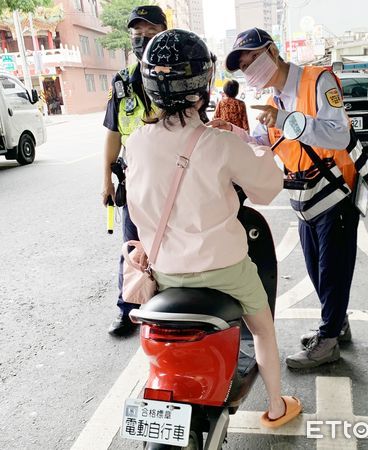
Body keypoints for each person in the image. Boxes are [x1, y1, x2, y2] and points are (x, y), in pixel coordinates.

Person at [125, 29, 302, 428]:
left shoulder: (135, 142)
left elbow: (136, 206)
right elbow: (269, 187)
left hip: (166, 273)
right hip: (227, 271)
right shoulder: (219, 142)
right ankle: (275, 407)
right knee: (262, 330)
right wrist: (242, 139)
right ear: (204, 85)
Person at [211, 27, 368, 369]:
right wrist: (233, 133)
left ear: (272, 51)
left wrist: (287, 120)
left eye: (252, 58)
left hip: (334, 192)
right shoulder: (270, 102)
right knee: (316, 270)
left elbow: (338, 134)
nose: (249, 67)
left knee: (332, 270)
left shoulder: (318, 81)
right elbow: (263, 142)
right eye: (243, 64)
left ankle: (328, 340)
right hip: (303, 198)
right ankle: (336, 323)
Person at [101, 5, 167, 337]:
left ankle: (168, 305)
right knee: (132, 246)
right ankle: (128, 309)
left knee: (172, 244)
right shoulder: (123, 81)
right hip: (134, 180)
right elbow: (113, 132)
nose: (141, 40)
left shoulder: (179, 71)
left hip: (173, 179)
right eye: (136, 35)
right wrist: (106, 182)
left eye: (149, 34)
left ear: (164, 34)